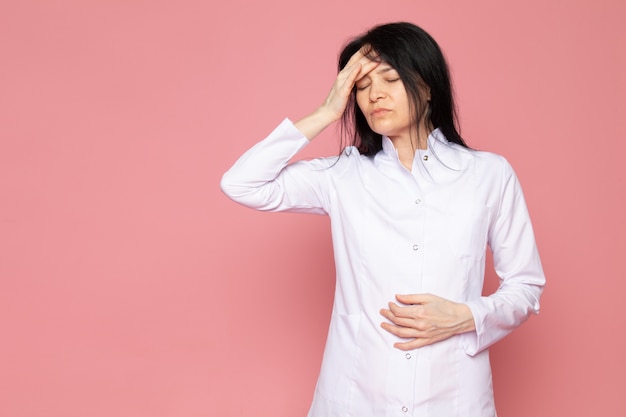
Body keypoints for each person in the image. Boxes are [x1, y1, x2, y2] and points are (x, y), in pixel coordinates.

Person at [220, 22, 545, 417]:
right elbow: (241, 183)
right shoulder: (343, 175)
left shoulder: (488, 175)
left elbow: (526, 285)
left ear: (427, 87)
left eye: (390, 79)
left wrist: (466, 317)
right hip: (356, 397)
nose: (373, 94)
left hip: (453, 396)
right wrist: (325, 112)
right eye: (360, 85)